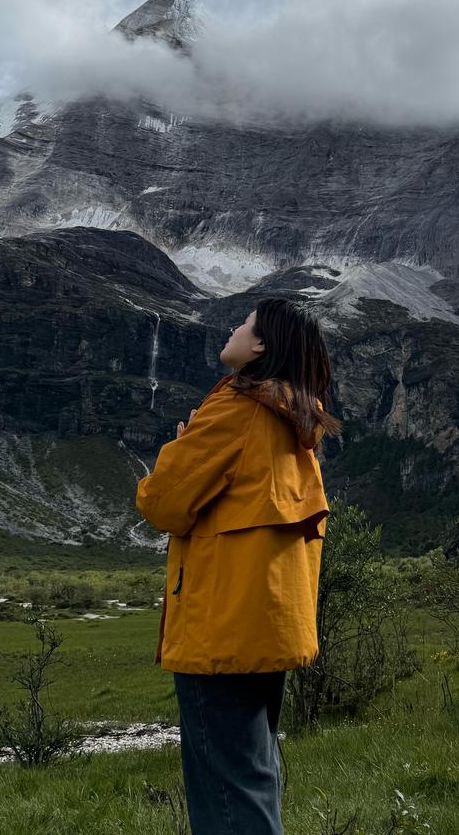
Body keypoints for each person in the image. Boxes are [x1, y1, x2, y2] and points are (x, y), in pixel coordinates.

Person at [136, 296, 342, 834]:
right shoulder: (294, 420)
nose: (232, 328)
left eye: (244, 323)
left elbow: (161, 503)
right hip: (264, 626)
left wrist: (180, 449)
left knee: (225, 790)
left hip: (220, 626)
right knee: (253, 773)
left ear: (261, 346)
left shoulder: (235, 409)